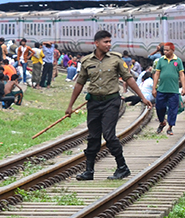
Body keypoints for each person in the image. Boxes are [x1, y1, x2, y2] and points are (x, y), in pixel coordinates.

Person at [65, 30, 151, 181]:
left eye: (110, 42)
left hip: (111, 102)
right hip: (93, 103)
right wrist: (70, 106)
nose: (109, 45)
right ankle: (89, 171)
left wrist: (142, 97)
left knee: (109, 135)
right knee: (93, 137)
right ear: (96, 43)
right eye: (105, 42)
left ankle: (122, 167)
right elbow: (79, 83)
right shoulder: (86, 61)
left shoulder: (116, 59)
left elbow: (129, 78)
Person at [152, 42, 185, 136]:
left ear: (172, 50)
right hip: (161, 89)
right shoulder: (161, 61)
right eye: (164, 50)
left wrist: (183, 87)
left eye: (167, 50)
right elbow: (157, 74)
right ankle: (162, 122)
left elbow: (181, 74)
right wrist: (154, 88)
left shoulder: (178, 61)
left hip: (173, 90)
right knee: (159, 107)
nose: (165, 52)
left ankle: (170, 127)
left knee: (173, 109)